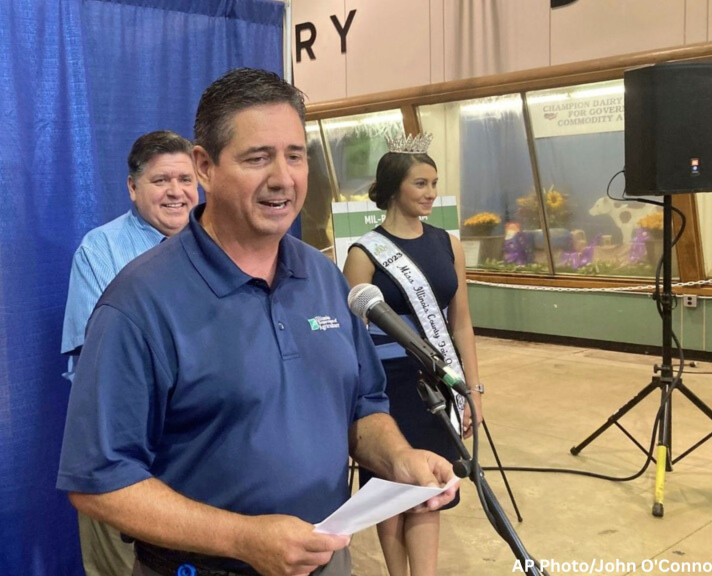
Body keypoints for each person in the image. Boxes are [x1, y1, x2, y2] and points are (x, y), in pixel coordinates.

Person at [57, 68, 458, 576]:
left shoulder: (323, 277)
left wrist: (399, 459)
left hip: (326, 558)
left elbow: (363, 407)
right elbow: (98, 480)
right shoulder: (139, 302)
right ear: (205, 166)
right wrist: (243, 539)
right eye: (257, 158)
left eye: (295, 155)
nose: (283, 178)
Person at [342, 136, 484, 576]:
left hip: (437, 380)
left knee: (431, 488)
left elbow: (461, 324)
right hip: (388, 386)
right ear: (393, 188)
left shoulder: (448, 244)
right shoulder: (364, 254)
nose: (430, 193)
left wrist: (473, 389)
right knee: (391, 486)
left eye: (434, 183)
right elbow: (350, 338)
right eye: (420, 183)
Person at [60, 130, 198, 575]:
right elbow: (99, 367)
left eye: (185, 179)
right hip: (128, 460)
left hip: (201, 455)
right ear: (133, 187)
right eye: (161, 181)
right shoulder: (100, 251)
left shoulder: (219, 249)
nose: (176, 191)